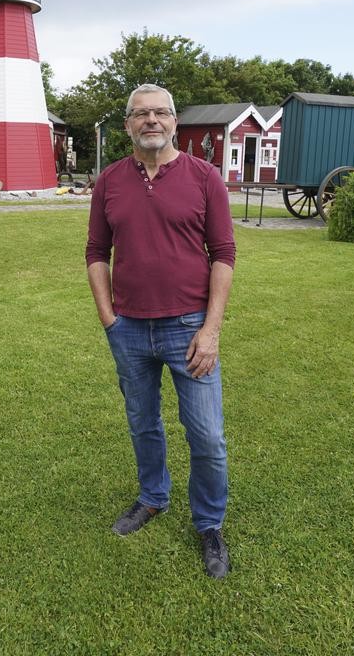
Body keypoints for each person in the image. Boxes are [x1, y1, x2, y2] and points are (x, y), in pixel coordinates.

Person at [85, 83, 236, 579]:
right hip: (129, 330)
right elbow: (95, 253)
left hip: (188, 328)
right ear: (128, 124)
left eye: (160, 113)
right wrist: (110, 319)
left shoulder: (204, 177)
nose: (151, 121)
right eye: (140, 114)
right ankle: (153, 498)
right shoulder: (109, 181)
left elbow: (224, 256)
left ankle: (209, 524)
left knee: (207, 435)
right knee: (142, 423)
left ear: (175, 121)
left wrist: (211, 330)